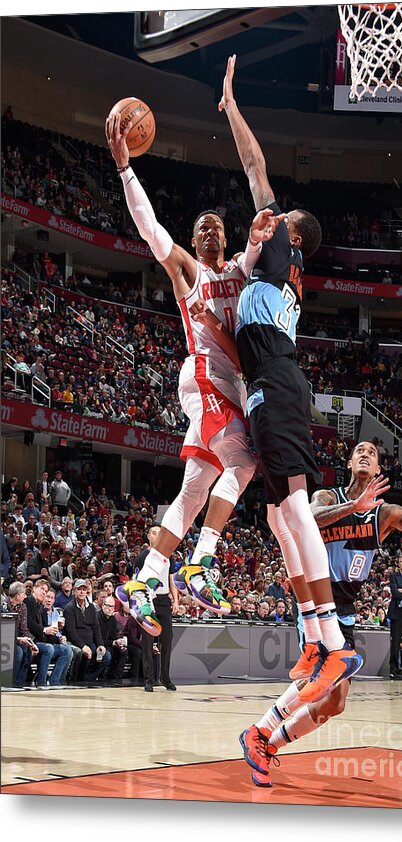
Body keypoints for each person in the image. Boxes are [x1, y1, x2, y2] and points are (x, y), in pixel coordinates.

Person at [218, 54, 362, 706]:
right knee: (278, 516)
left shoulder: (281, 241)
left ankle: (333, 645)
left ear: (293, 230)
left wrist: (231, 106)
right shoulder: (282, 265)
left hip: (277, 377)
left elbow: (254, 168)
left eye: (285, 212)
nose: (277, 211)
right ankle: (312, 633)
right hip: (267, 380)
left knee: (295, 507)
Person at [106, 111, 284, 633]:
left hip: (229, 385)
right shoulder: (190, 269)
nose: (208, 229)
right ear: (194, 237)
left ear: (226, 237)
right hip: (204, 375)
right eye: (201, 225)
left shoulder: (239, 269)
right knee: (246, 461)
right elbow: (150, 228)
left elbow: (258, 252)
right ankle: (202, 563)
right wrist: (125, 171)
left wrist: (256, 236)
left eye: (216, 226)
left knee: (195, 490)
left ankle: (146, 577)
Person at [238, 441, 402, 786]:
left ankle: (269, 744)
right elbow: (306, 519)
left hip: (347, 608)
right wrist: (352, 506)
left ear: (378, 470)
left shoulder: (385, 514)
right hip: (317, 601)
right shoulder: (329, 496)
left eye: (372, 453)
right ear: (349, 462)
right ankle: (259, 731)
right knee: (320, 678)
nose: (366, 454)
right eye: (360, 450)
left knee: (335, 703)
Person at [138, 524, 178, 692]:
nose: (157, 536)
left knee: (167, 639)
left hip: (163, 599)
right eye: (154, 533)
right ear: (148, 536)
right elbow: (136, 580)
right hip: (147, 599)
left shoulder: (168, 556)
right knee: (147, 641)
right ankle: (148, 679)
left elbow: (172, 579)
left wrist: (175, 600)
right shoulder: (143, 557)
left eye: (159, 533)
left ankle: (165, 677)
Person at [25, 578, 72, 686]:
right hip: (32, 641)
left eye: (46, 591)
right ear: (34, 589)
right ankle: (41, 682)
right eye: (42, 589)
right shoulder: (28, 601)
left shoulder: (42, 608)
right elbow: (30, 623)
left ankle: (54, 681)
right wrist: (45, 629)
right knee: (49, 648)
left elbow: (48, 631)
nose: (44, 593)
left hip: (43, 641)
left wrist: (59, 636)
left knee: (67, 650)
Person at [64, 579, 110, 682]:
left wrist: (100, 644)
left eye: (84, 589)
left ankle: (88, 679)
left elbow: (96, 628)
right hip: (77, 643)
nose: (82, 592)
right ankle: (78, 680)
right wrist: (82, 646)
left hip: (91, 643)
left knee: (106, 656)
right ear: (74, 591)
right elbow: (71, 632)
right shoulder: (69, 608)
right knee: (84, 655)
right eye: (79, 589)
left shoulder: (91, 608)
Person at [6, 581, 39, 688]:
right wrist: (19, 639)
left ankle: (20, 683)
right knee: (19, 652)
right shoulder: (4, 606)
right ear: (17, 595)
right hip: (5, 638)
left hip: (17, 638)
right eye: (23, 594)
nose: (25, 596)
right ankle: (9, 682)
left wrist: (31, 643)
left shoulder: (23, 606)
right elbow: (5, 631)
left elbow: (24, 629)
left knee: (27, 649)